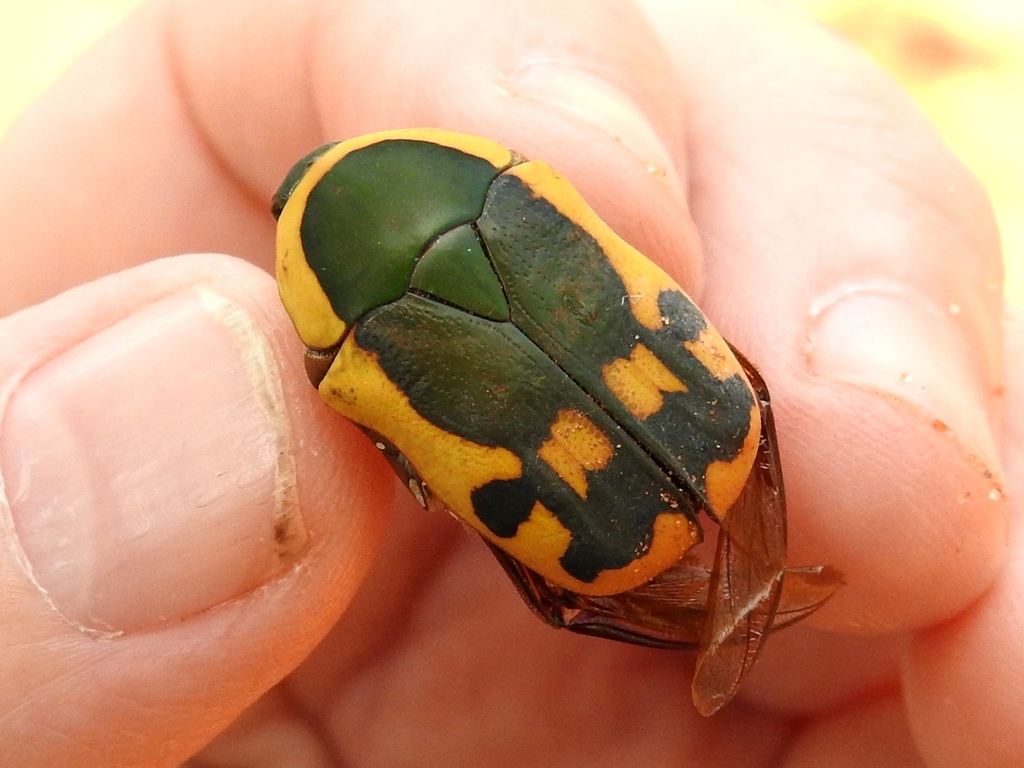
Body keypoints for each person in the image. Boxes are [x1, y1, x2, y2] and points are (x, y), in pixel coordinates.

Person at [0, 1, 1019, 765]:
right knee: (748, 400)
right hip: (700, 419)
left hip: (602, 517)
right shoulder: (510, 181)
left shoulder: (340, 353)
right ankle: (737, 601)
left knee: (568, 594)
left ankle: (732, 604)